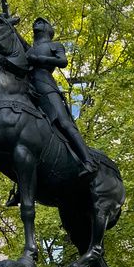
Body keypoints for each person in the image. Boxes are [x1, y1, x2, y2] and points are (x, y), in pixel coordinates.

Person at [26, 17, 98, 179]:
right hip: (28, 90)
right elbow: (14, 35)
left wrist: (40, 60)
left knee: (64, 123)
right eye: (35, 22)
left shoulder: (54, 45)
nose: (36, 23)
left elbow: (63, 61)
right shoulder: (29, 49)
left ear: (47, 28)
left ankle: (88, 161)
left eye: (40, 22)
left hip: (46, 86)